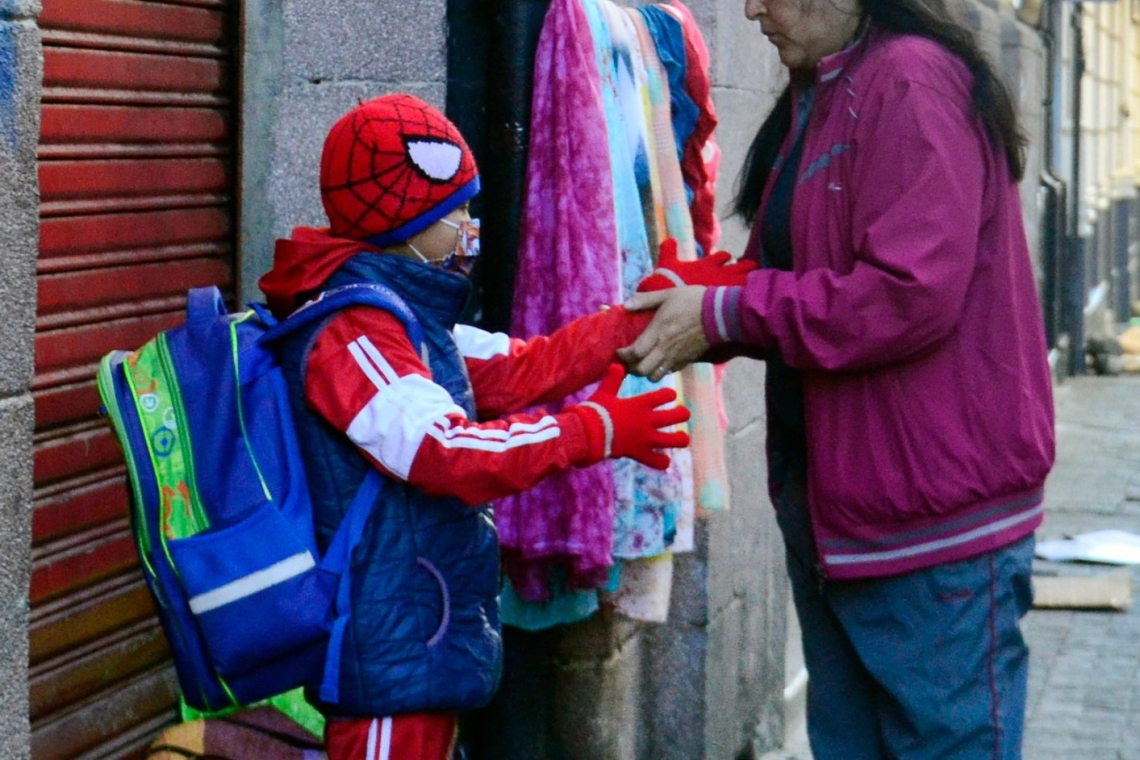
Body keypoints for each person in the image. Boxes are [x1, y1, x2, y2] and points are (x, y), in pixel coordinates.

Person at [618, 0, 1055, 756]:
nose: (752, 9)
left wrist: (727, 313)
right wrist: (698, 301)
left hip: (929, 525)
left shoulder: (911, 81)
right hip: (845, 513)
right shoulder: (827, 84)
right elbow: (812, 268)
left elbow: (906, 294)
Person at [258, 93, 752, 760]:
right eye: (455, 210)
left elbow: (522, 368)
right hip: (382, 659)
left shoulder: (405, 321)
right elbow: (445, 451)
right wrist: (590, 432)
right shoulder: (352, 333)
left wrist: (636, 317)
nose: (470, 227)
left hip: (415, 641)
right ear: (403, 217)